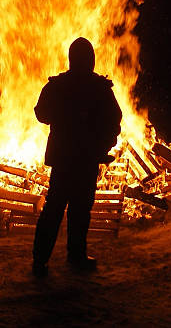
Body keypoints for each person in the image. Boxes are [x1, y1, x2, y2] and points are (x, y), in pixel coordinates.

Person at [32, 37, 122, 277]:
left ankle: (41, 261)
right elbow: (115, 120)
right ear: (90, 60)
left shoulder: (58, 85)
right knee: (80, 209)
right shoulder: (99, 87)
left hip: (65, 158)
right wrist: (104, 143)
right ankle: (76, 256)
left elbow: (41, 113)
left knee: (55, 208)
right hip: (86, 159)